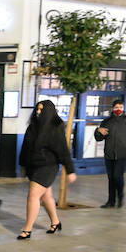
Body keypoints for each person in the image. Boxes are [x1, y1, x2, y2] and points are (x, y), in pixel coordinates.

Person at [17, 99, 75, 238]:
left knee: (33, 195)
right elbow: (25, 148)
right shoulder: (32, 127)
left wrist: (70, 170)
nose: (38, 112)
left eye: (41, 110)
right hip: (33, 166)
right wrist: (23, 165)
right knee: (46, 196)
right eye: (37, 109)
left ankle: (27, 229)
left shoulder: (55, 128)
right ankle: (56, 222)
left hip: (48, 166)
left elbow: (63, 151)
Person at [94, 99, 126, 208]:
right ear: (112, 108)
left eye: (121, 107)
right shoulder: (107, 121)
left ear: (123, 108)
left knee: (117, 176)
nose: (118, 109)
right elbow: (99, 138)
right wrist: (97, 131)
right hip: (109, 154)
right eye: (116, 107)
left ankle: (120, 197)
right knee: (111, 178)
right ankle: (111, 201)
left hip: (123, 154)